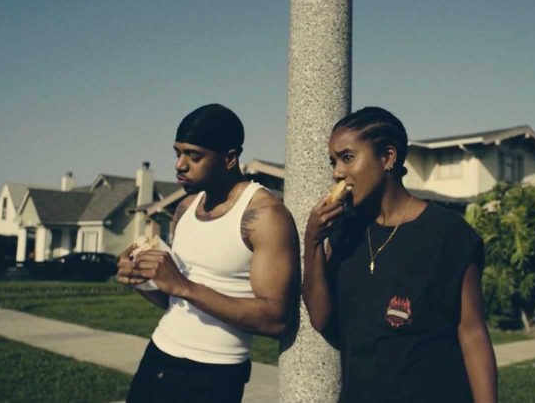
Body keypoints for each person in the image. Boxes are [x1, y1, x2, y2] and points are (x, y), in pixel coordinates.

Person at [302, 107, 497, 402]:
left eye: (347, 157)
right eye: (333, 161)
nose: (337, 172)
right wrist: (312, 242)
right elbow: (321, 319)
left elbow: (472, 333)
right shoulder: (345, 230)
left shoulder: (449, 234)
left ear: (387, 158)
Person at [116, 103, 299, 403]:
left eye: (194, 156)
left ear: (229, 158)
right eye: (178, 153)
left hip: (213, 375)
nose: (180, 165)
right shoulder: (185, 208)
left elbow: (275, 319)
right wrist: (139, 278)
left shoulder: (264, 215)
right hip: (159, 355)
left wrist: (184, 287)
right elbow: (172, 299)